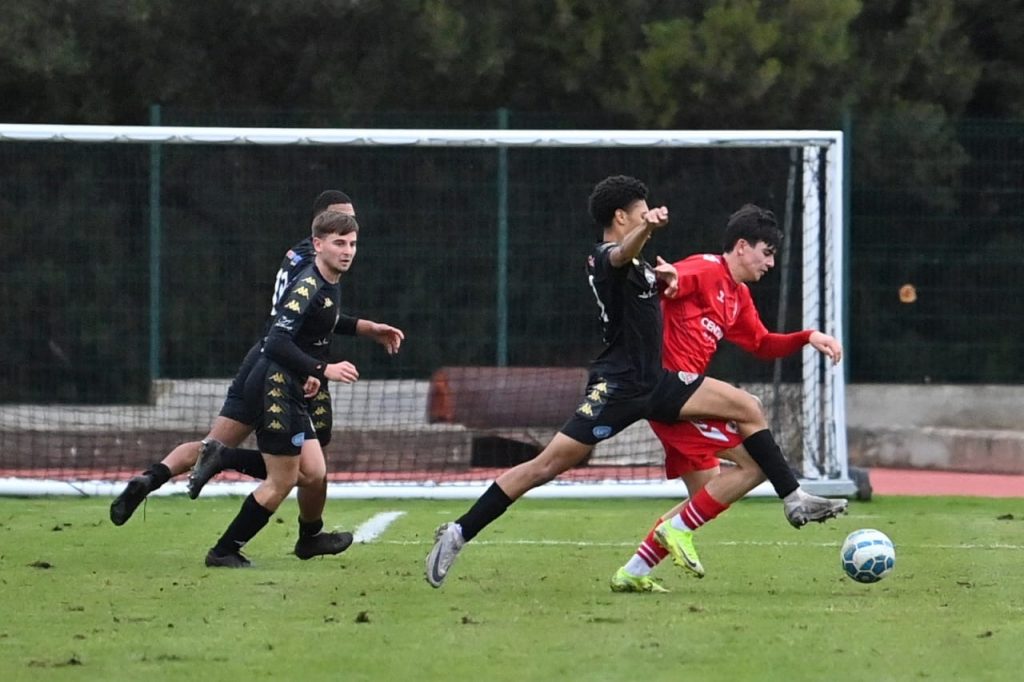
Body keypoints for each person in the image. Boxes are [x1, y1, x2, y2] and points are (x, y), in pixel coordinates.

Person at [424, 176, 846, 589]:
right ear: (621, 217)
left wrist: (671, 279)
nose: (648, 217)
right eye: (641, 213)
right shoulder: (605, 259)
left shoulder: (645, 267)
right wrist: (650, 234)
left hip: (660, 383)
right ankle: (459, 532)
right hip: (619, 385)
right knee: (546, 466)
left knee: (740, 428)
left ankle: (781, 503)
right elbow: (623, 254)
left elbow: (679, 289)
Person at [110, 191, 403, 563]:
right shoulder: (313, 269)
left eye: (353, 234)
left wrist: (364, 328)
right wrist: (316, 368)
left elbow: (319, 317)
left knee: (283, 462)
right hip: (282, 366)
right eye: (342, 228)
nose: (349, 237)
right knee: (290, 472)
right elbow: (294, 327)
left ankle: (151, 478)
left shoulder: (303, 256)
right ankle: (257, 534)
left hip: (267, 359)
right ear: (321, 230)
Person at [610, 203, 844, 593]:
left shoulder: (738, 296)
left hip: (685, 401)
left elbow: (762, 343)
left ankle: (632, 572)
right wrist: (667, 277)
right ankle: (793, 496)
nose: (770, 264)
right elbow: (672, 276)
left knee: (705, 497)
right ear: (741, 246)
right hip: (667, 388)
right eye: (766, 253)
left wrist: (808, 337)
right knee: (751, 421)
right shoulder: (706, 268)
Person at [203, 210, 369, 567]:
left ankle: (307, 536)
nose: (347, 251)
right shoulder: (308, 286)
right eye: (339, 243)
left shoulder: (330, 281)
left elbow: (312, 331)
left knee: (314, 473)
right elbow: (276, 341)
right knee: (282, 481)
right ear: (317, 244)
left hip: (294, 385)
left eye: (352, 244)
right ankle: (223, 550)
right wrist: (323, 369)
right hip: (277, 385)